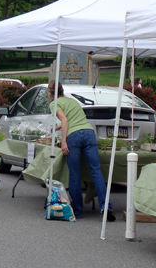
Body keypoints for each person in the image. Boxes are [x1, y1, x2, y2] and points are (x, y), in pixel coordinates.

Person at [48, 80, 115, 221]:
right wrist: (58, 128)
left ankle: (77, 210)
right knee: (96, 171)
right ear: (62, 91)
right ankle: (106, 207)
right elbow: (75, 119)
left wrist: (64, 141)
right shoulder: (71, 101)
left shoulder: (54, 103)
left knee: (74, 174)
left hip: (74, 137)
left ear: (50, 93)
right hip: (89, 133)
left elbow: (65, 120)